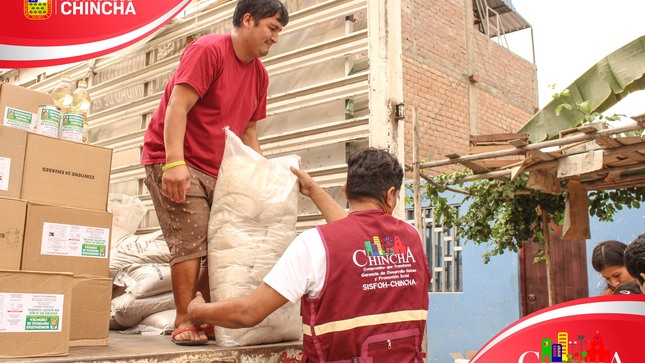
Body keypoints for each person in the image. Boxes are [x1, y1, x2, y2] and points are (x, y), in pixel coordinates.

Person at [188, 148, 431, 362]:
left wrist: (197, 311)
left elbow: (249, 312)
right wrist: (314, 191)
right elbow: (355, 234)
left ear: (346, 191)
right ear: (390, 195)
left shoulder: (313, 244)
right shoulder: (412, 239)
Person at [140, 0, 289, 345]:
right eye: (272, 28)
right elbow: (179, 105)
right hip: (174, 157)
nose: (276, 38)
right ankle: (183, 318)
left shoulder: (259, 75)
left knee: (221, 242)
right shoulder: (209, 50)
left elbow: (249, 132)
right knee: (191, 238)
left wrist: (264, 177)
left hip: (218, 167)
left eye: (280, 31)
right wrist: (174, 164)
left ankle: (204, 313)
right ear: (248, 19)